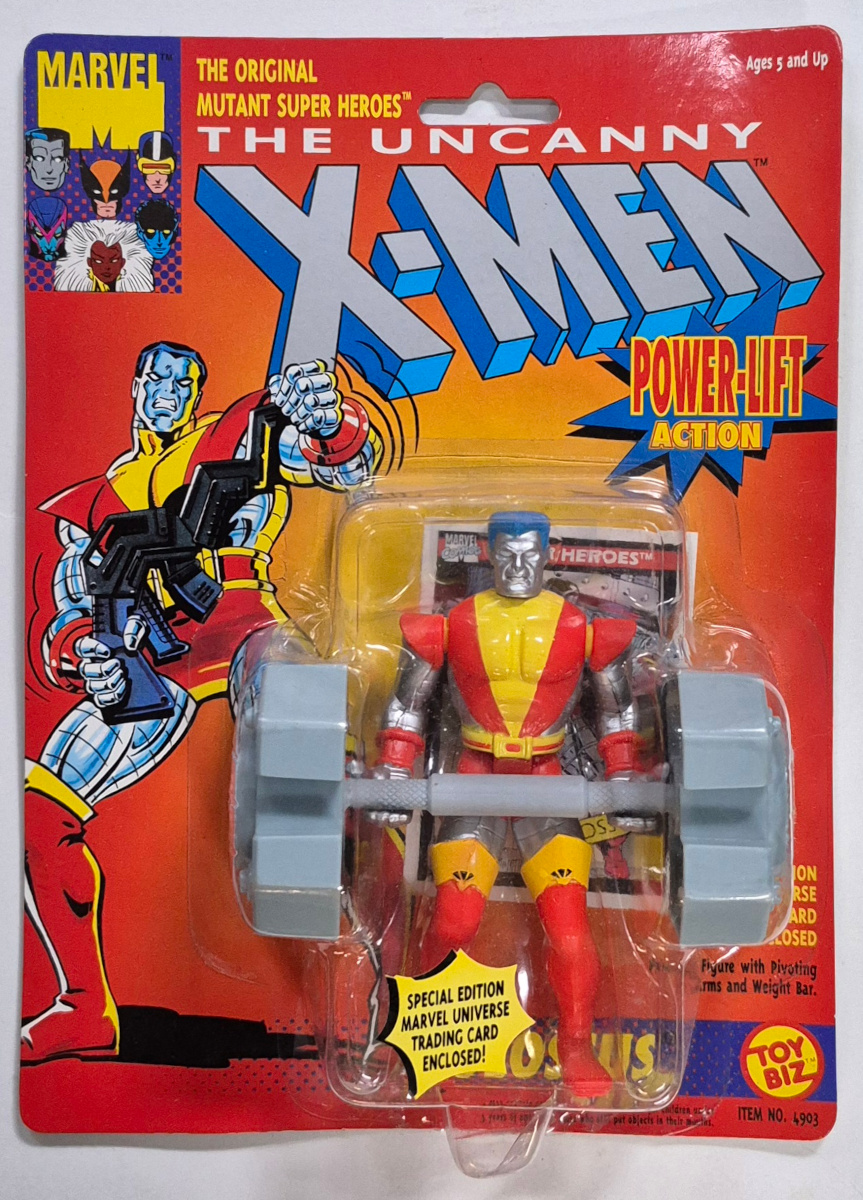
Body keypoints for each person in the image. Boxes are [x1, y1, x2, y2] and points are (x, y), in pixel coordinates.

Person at [376, 511, 643, 1095]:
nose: (518, 566)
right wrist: (394, 771)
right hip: (473, 777)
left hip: (548, 782)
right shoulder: (453, 623)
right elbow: (409, 703)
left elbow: (617, 710)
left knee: (569, 932)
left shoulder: (580, 626)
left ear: (548, 555)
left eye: (529, 554)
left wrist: (623, 776)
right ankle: (429, 1042)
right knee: (454, 921)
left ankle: (576, 1047)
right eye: (507, 554)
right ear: (490, 555)